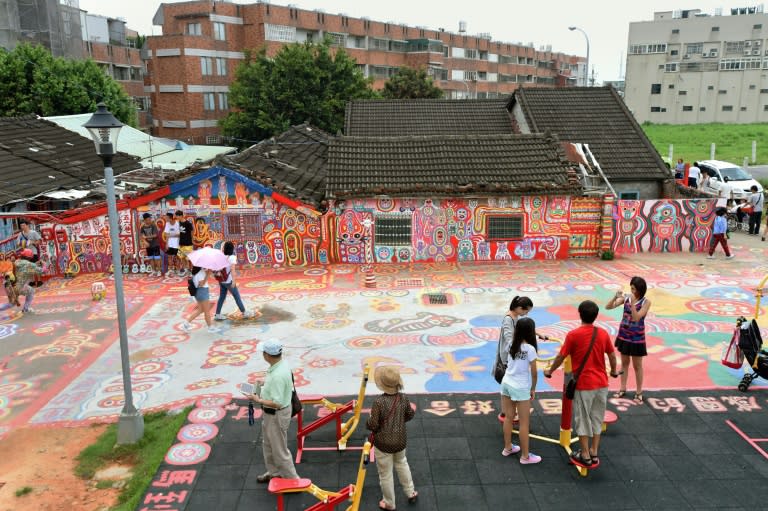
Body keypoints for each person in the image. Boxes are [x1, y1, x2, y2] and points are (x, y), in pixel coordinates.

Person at [544, 300, 620, 468]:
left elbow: (561, 357)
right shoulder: (602, 333)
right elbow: (612, 356)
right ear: (596, 315)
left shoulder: (573, 335)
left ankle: (584, 454)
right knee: (597, 417)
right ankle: (594, 451)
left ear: (580, 314)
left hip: (584, 384)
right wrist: (614, 371)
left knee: (582, 418)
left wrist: (550, 370)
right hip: (602, 382)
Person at [243, 339, 300, 483]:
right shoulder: (280, 365)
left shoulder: (277, 376)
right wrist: (264, 383)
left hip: (276, 414)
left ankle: (292, 480)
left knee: (280, 450)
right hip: (271, 414)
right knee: (268, 445)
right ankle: (275, 472)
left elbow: (277, 402)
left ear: (267, 355)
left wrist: (258, 400)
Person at [366, 365, 418, 511]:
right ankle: (410, 492)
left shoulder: (379, 402)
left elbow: (373, 425)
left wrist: (368, 421)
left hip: (383, 443)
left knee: (385, 474)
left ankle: (389, 503)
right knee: (402, 463)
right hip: (400, 440)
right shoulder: (403, 398)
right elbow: (410, 414)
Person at [500, 317, 541, 464]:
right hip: (521, 387)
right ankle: (525, 456)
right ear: (531, 332)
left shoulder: (511, 344)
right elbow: (534, 373)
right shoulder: (530, 349)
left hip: (506, 383)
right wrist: (533, 389)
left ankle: (508, 447)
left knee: (509, 418)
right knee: (524, 423)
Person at [606, 276, 651, 403]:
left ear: (640, 290)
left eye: (633, 289)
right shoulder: (625, 298)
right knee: (624, 363)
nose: (631, 291)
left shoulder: (646, 302)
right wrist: (615, 297)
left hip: (637, 338)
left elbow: (637, 318)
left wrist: (631, 303)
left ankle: (638, 392)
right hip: (624, 335)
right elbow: (608, 307)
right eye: (631, 288)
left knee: (637, 366)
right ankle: (622, 388)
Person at [495, 296, 534, 420]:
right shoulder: (508, 319)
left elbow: (522, 329)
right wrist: (523, 347)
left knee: (506, 385)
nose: (526, 314)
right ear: (518, 308)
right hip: (508, 356)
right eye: (526, 311)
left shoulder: (515, 316)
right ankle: (509, 411)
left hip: (512, 354)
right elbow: (509, 338)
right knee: (510, 384)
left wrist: (535, 333)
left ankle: (506, 412)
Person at [214, 241, 258, 320]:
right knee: (236, 296)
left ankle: (217, 314)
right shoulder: (232, 257)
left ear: (224, 248)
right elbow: (233, 270)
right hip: (228, 281)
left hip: (221, 281)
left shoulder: (222, 256)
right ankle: (244, 312)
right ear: (232, 249)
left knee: (221, 297)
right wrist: (234, 281)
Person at [180, 266, 222, 334]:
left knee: (200, 310)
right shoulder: (199, 273)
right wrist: (208, 275)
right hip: (202, 292)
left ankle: (186, 324)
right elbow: (202, 284)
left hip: (199, 293)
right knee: (206, 311)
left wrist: (208, 272)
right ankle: (210, 327)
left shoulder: (197, 272)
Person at [14, 248, 42, 314]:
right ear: (29, 257)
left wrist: (34, 265)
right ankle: (25, 309)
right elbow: (40, 270)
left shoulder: (17, 261)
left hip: (13, 286)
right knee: (31, 290)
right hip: (21, 287)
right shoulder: (29, 264)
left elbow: (26, 266)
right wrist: (44, 266)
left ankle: (25, 309)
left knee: (10, 303)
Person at [176, 210, 194, 276]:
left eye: (177, 216)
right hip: (181, 243)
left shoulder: (188, 223)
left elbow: (192, 231)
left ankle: (191, 270)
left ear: (181, 216)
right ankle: (185, 269)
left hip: (188, 244)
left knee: (189, 258)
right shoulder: (178, 223)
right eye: (176, 216)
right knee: (182, 257)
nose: (176, 217)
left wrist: (190, 239)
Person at [163, 212, 181, 276]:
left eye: (166, 217)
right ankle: (170, 270)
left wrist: (171, 235)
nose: (165, 218)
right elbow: (167, 234)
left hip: (177, 244)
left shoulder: (177, 224)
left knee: (177, 257)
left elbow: (179, 235)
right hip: (170, 244)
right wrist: (166, 244)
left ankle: (178, 270)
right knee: (169, 257)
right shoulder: (167, 224)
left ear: (170, 218)